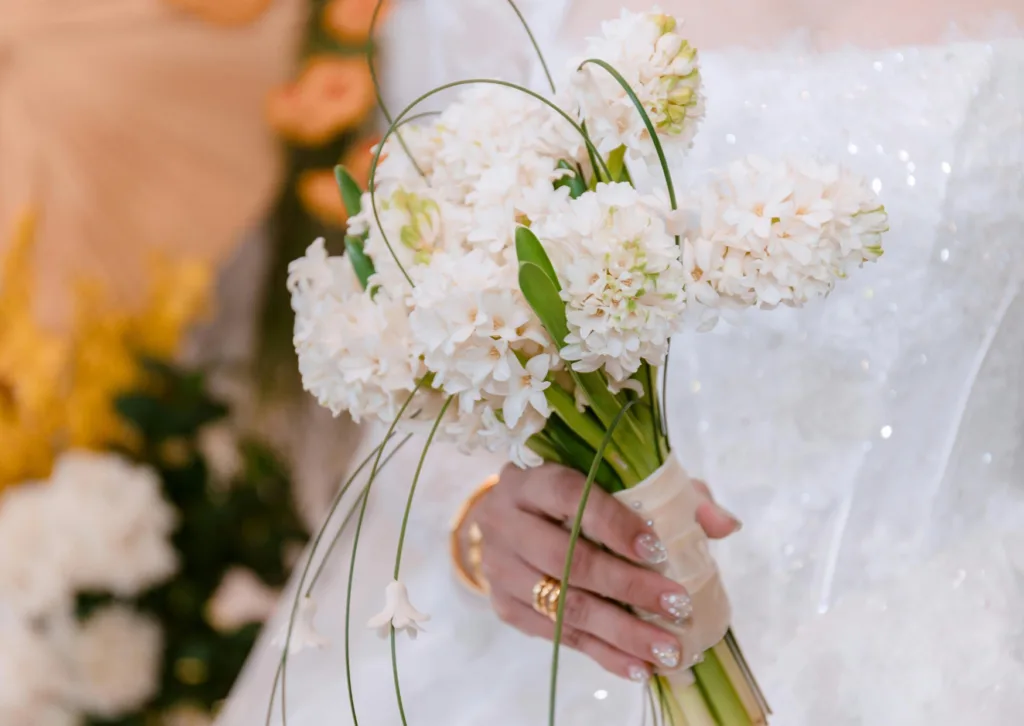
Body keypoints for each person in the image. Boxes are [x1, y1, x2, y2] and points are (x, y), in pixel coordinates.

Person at [216, 0, 1024, 723]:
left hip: (967, 629)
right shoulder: (467, 12)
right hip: (581, 642)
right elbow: (427, 322)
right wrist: (483, 521)